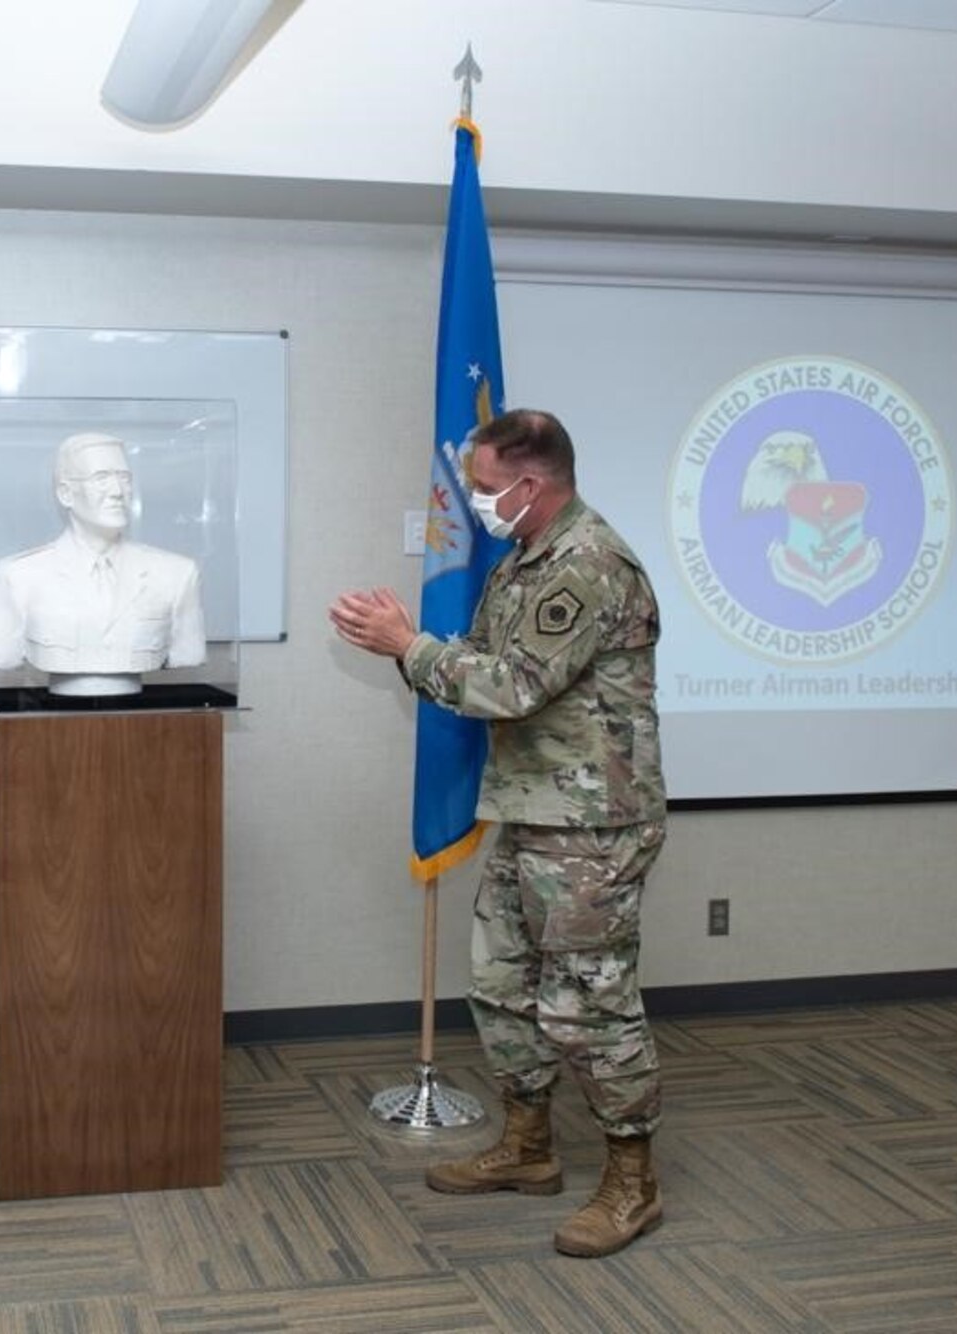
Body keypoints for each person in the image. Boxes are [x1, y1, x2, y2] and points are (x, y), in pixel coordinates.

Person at [329, 408, 668, 1259]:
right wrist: (412, 648)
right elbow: (475, 665)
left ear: (532, 484)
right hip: (527, 808)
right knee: (503, 986)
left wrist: (408, 647)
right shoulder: (521, 562)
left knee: (590, 1005)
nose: (477, 503)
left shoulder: (589, 566)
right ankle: (530, 1145)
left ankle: (633, 1180)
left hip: (592, 824)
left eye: (484, 489)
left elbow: (513, 686)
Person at [0, 430, 205, 696]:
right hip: (54, 724)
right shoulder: (17, 576)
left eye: (124, 478)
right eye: (101, 478)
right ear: (65, 494)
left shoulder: (176, 574)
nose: (118, 492)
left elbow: (189, 652)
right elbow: (0, 654)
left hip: (142, 723)